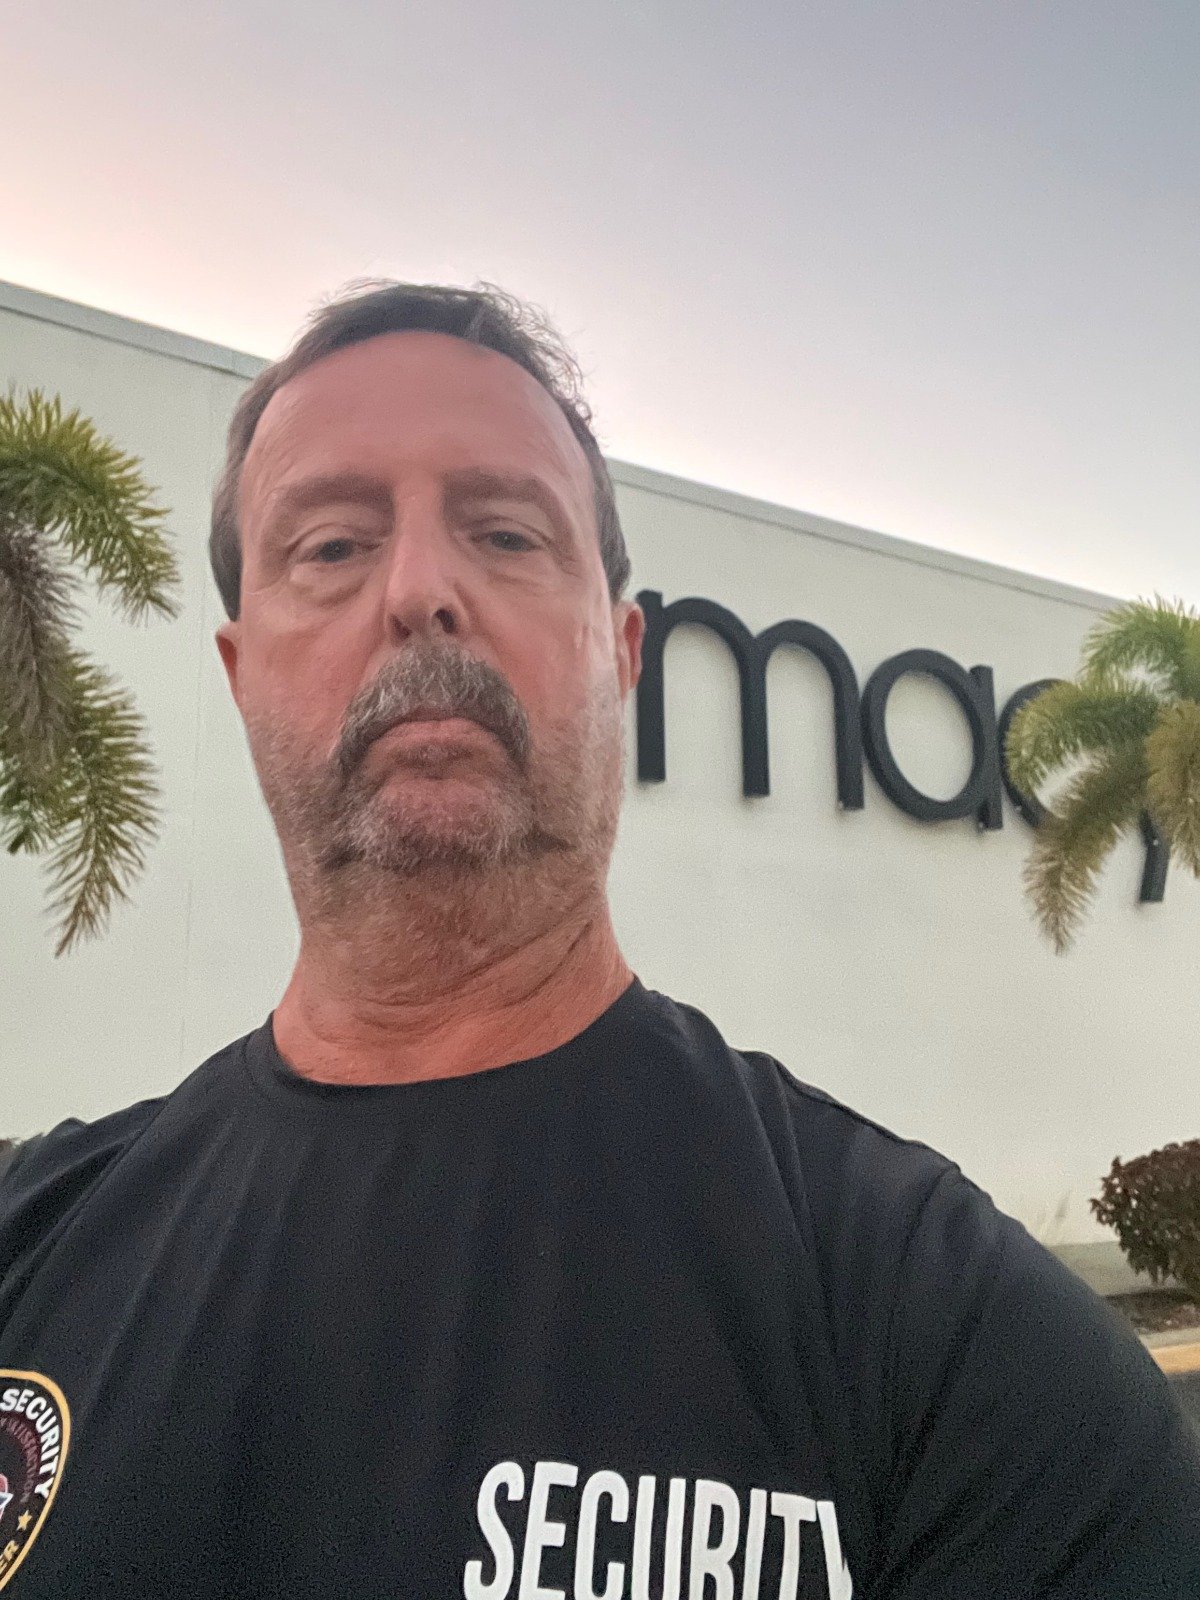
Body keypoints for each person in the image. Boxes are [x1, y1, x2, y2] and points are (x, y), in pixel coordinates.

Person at [1, 281, 1197, 1600]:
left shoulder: (939, 1328)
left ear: (624, 655)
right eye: (332, 546)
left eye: (507, 534)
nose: (420, 590)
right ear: (241, 676)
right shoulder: (33, 1244)